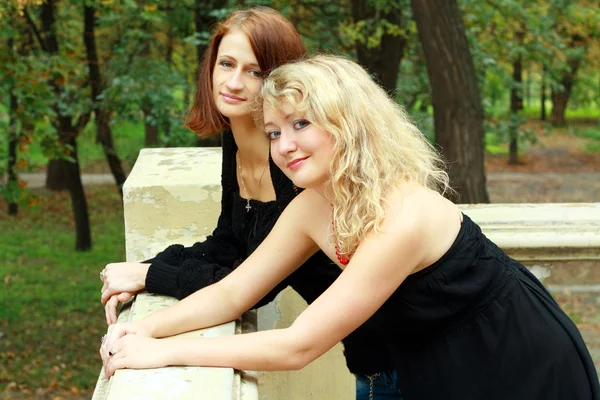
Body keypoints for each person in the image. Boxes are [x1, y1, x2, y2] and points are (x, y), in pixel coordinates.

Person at [101, 54, 600, 398]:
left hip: (517, 359)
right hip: (430, 363)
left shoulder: (403, 215)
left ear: (349, 123)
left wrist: (158, 355)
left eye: (302, 124)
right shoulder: (313, 204)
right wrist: (142, 329)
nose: (284, 145)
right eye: (274, 132)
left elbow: (299, 345)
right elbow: (233, 293)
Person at [99, 8, 399, 400]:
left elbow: (252, 286)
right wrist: (149, 269)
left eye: (255, 71)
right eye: (226, 64)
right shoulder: (236, 140)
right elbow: (228, 243)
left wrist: (150, 278)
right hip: (374, 361)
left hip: (406, 357)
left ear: (282, 79)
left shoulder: (295, 165)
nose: (234, 82)